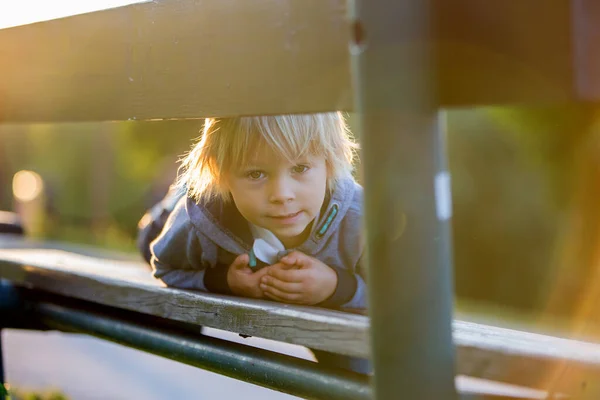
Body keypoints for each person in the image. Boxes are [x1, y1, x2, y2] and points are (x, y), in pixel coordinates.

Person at [138, 112, 369, 372]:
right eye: (256, 173)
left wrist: (337, 286)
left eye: (300, 168)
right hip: (170, 219)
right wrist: (223, 280)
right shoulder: (199, 218)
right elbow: (166, 266)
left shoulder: (360, 219)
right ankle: (176, 193)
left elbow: (402, 294)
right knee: (154, 233)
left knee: (359, 362)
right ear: (221, 173)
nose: (282, 194)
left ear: (330, 162)